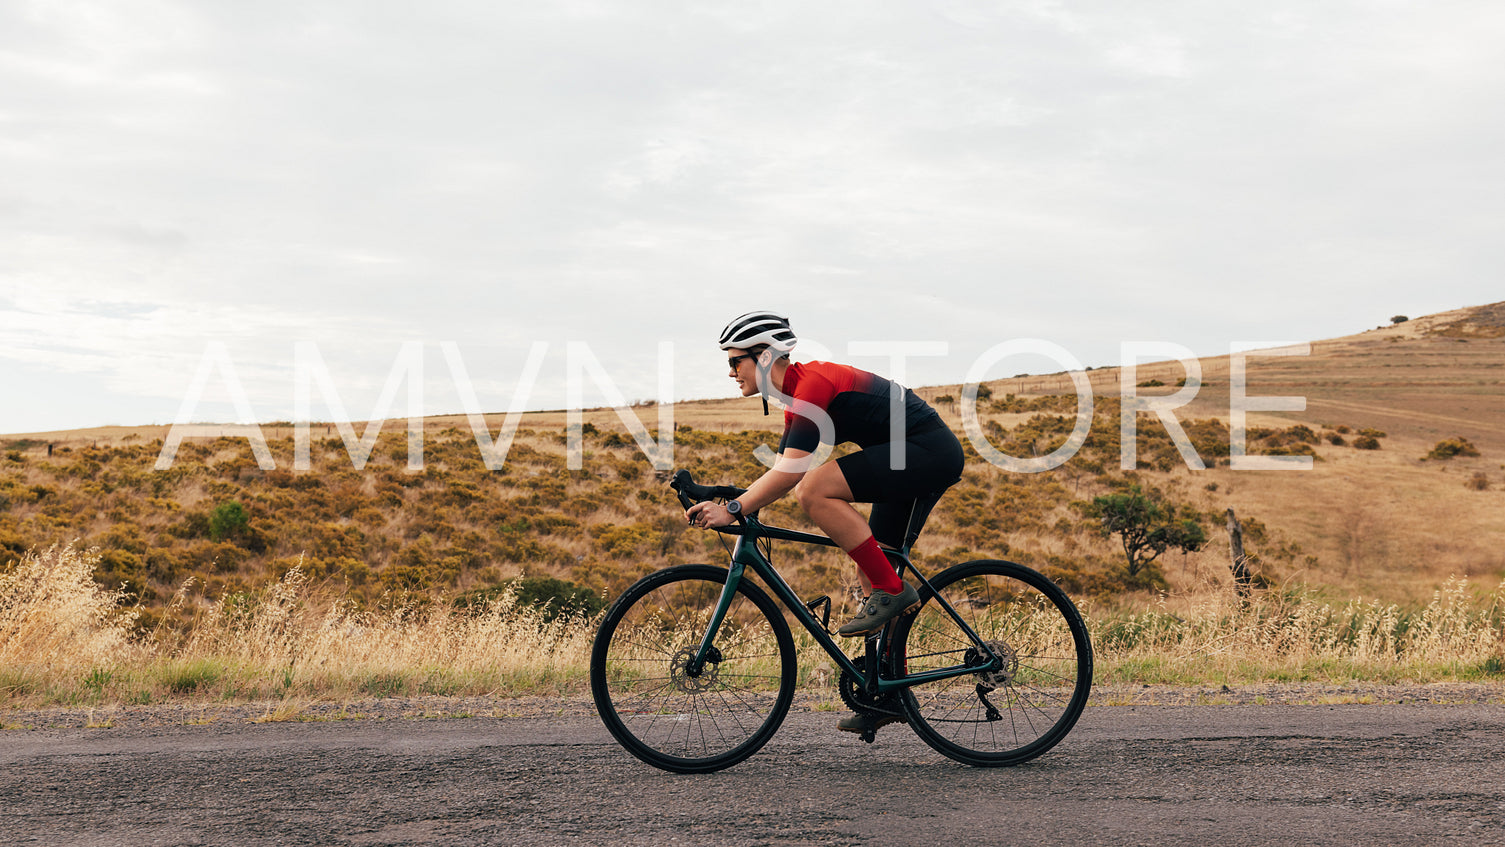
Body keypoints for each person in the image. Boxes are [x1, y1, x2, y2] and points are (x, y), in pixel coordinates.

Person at [684, 311, 965, 733]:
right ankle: (889, 693)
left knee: (815, 490)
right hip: (906, 456)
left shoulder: (813, 385)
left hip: (925, 451)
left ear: (762, 358)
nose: (729, 372)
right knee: (871, 571)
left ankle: (892, 590)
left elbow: (795, 477)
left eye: (734, 361)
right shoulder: (797, 401)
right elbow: (780, 471)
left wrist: (736, 509)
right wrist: (725, 499)